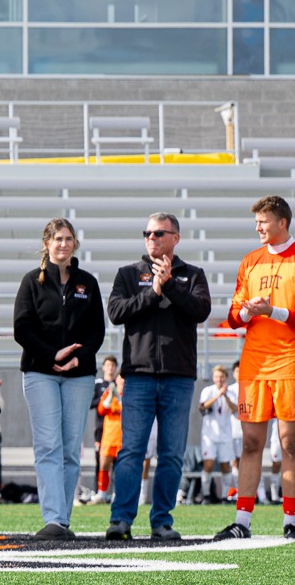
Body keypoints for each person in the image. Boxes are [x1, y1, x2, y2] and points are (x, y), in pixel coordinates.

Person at [212, 196, 295, 541]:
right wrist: (249, 312)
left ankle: (291, 521)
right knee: (250, 442)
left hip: (291, 361)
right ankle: (242, 521)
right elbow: (234, 317)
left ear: (282, 222)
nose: (258, 228)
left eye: (263, 221)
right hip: (255, 363)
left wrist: (271, 311)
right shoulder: (250, 261)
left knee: (290, 444)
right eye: (256, 222)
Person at [105, 212, 213, 538]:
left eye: (158, 233)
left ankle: (162, 520)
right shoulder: (128, 274)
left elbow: (201, 311)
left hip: (178, 376)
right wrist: (152, 292)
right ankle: (120, 520)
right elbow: (116, 312)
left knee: (171, 454)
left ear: (175, 238)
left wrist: (169, 286)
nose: (151, 238)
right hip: (138, 375)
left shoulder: (192, 275)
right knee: (131, 451)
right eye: (147, 233)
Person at [13, 218, 105, 539]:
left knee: (70, 449)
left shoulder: (87, 283)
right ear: (47, 243)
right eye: (58, 239)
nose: (63, 244)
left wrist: (79, 357)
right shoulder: (31, 282)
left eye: (68, 239)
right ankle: (53, 517)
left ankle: (62, 521)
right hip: (41, 372)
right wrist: (53, 354)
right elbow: (22, 328)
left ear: (75, 243)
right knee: (49, 445)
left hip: (79, 374)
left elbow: (97, 330)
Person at [196, 366, 236, 503]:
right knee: (208, 463)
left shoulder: (231, 392)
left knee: (225, 465)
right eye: (216, 377)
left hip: (226, 434)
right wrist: (218, 395)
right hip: (209, 435)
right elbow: (202, 406)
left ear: (226, 377)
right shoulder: (208, 390)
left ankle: (225, 496)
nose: (219, 379)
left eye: (221, 377)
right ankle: (206, 494)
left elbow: (235, 409)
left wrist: (225, 396)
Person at [94, 363, 122, 504]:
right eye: (120, 379)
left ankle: (118, 493)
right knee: (104, 466)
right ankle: (102, 493)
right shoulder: (109, 393)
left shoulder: (129, 395)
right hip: (109, 437)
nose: (122, 381)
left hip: (122, 438)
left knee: (121, 469)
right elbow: (101, 410)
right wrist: (111, 395)